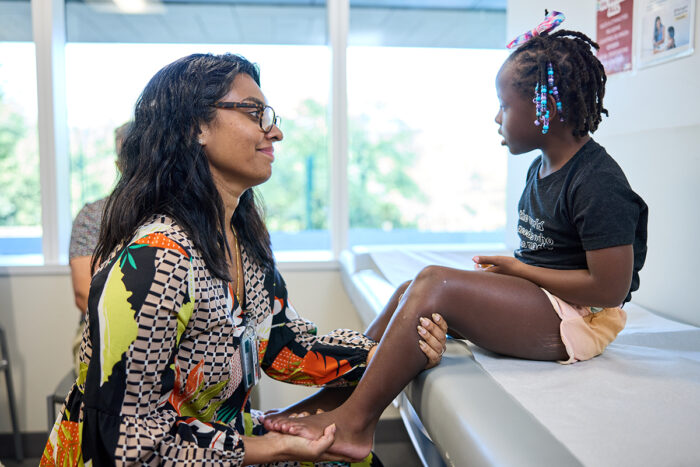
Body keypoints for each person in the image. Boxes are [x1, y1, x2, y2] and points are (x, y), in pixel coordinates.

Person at [264, 24, 648, 462]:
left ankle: (355, 425)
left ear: (547, 110)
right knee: (410, 290)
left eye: (504, 105)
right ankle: (329, 404)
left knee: (434, 284)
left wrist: (518, 272)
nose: (497, 118)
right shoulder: (540, 169)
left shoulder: (598, 181)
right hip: (549, 302)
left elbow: (609, 290)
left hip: (580, 320)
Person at [42, 53, 447, 466]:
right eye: (254, 113)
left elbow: (287, 348)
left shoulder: (244, 240)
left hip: (214, 438)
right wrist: (274, 445)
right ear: (195, 126)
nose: (275, 131)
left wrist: (397, 352)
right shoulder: (155, 261)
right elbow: (128, 444)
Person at [68, 121, 131, 376]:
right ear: (119, 164)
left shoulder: (181, 215)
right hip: (100, 333)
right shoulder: (93, 216)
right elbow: (85, 294)